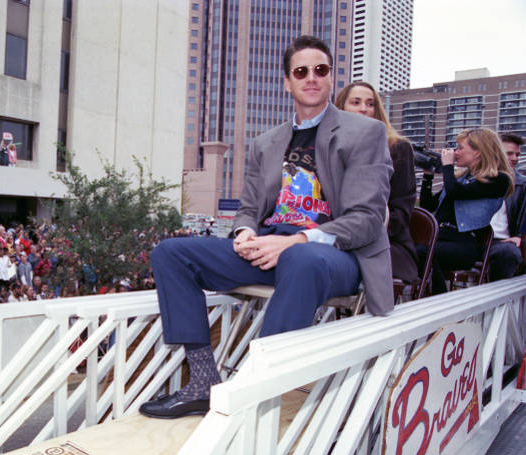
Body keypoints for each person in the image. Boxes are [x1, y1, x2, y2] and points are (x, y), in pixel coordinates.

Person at [139, 35, 393, 419]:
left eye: (320, 70)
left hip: (332, 255)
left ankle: (253, 390)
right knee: (171, 253)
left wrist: (298, 240)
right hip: (271, 249)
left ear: (330, 79)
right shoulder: (265, 143)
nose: (311, 77)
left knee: (302, 259)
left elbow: (367, 219)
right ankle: (203, 381)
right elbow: (247, 209)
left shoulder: (364, 133)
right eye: (301, 71)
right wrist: (244, 233)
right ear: (287, 82)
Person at [335, 81, 418, 283]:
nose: (363, 108)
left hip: (384, 242)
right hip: (333, 236)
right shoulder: (328, 147)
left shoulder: (398, 148)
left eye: (370, 104)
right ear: (341, 108)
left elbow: (402, 209)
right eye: (355, 102)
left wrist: (360, 234)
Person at [418, 128, 514, 294]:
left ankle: (438, 303)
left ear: (478, 152)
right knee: (410, 250)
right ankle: (434, 300)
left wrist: (447, 166)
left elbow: (456, 192)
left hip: (462, 244)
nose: (456, 152)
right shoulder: (461, 179)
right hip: (439, 238)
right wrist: (428, 176)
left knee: (421, 253)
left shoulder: (498, 179)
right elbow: (428, 205)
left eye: (461, 148)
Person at [487, 134, 526, 280]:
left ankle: (498, 299)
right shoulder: (476, 178)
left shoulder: (522, 184)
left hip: (502, 242)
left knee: (508, 253)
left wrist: (520, 237)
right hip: (473, 240)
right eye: (509, 153)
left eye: (517, 154)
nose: (515, 158)